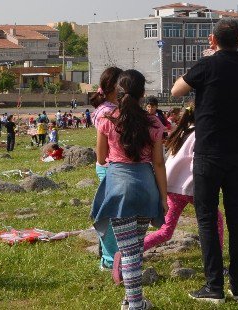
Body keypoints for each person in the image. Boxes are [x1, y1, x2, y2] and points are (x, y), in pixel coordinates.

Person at [171, 19, 238, 303]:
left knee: (206, 218)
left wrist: (207, 57)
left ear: (212, 39)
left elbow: (176, 90)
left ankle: (214, 286)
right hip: (236, 153)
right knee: (237, 217)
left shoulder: (206, 65)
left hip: (209, 152)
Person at [91, 70, 166, 310]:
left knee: (129, 250)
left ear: (118, 91)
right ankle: (132, 300)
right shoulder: (154, 122)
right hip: (147, 188)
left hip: (119, 188)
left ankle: (134, 304)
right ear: (143, 93)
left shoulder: (107, 120)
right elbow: (158, 163)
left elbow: (101, 158)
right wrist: (164, 198)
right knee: (135, 249)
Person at [142, 104, 224, 254]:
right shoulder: (201, 135)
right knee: (216, 220)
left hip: (172, 188)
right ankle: (216, 259)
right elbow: (197, 163)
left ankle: (130, 251)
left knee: (166, 231)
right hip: (190, 189)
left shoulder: (181, 132)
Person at [93, 66, 123, 272]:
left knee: (116, 215)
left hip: (113, 166)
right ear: (114, 86)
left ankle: (109, 254)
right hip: (109, 166)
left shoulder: (109, 108)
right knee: (111, 217)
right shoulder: (107, 112)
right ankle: (109, 259)